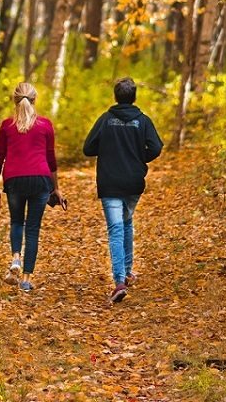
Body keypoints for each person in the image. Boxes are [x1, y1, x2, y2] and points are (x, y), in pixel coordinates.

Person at [83, 77, 163, 303]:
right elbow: (156, 147)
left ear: (116, 97)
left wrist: (108, 150)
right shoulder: (143, 121)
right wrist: (139, 158)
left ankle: (119, 281)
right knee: (126, 222)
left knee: (116, 229)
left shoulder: (106, 120)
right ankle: (127, 271)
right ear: (134, 97)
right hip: (133, 183)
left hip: (110, 182)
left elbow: (88, 148)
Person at [0, 82, 64, 292]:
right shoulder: (45, 125)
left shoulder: (6, 125)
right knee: (32, 229)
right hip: (41, 180)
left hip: (14, 179)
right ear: (35, 100)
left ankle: (16, 258)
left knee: (16, 222)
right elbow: (51, 158)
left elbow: (0, 157)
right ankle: (26, 280)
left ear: (14, 100)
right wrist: (56, 188)